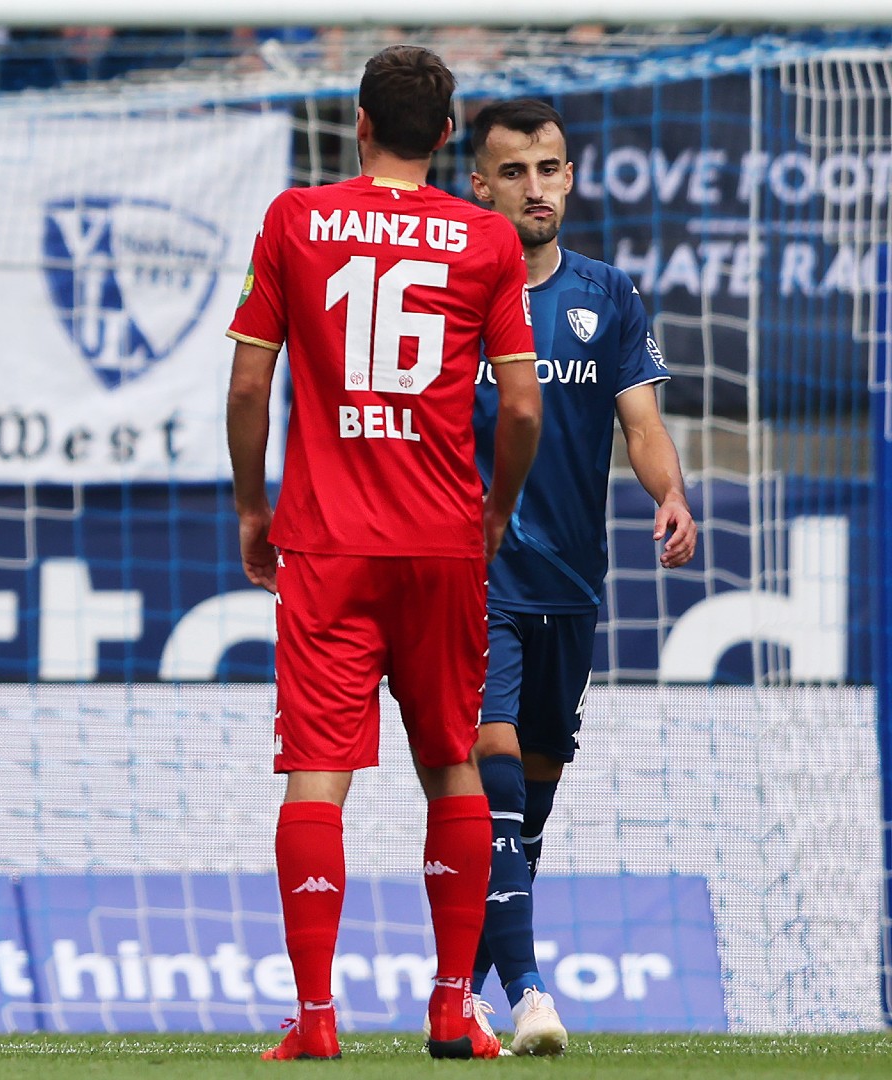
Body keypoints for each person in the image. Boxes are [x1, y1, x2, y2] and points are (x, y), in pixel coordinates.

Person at [224, 45, 543, 1061]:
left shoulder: (294, 220)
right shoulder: (487, 237)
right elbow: (524, 405)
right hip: (442, 541)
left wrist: (248, 508)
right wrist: (494, 511)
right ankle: (453, 1006)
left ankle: (317, 1020)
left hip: (326, 541)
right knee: (451, 766)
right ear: (449, 139)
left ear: (357, 122)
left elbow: (245, 388)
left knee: (317, 776)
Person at [463, 97, 696, 1055]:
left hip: (572, 581)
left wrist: (671, 494)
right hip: (475, 574)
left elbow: (641, 425)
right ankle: (527, 993)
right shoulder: (454, 293)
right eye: (513, 172)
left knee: (533, 800)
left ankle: (459, 989)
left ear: (570, 175)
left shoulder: (610, 295)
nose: (535, 188)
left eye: (548, 168)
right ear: (478, 184)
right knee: (496, 773)